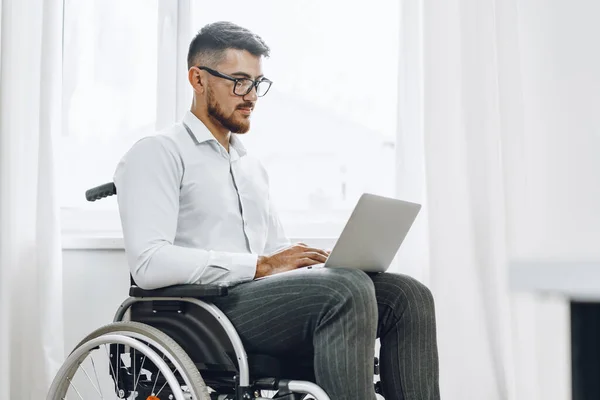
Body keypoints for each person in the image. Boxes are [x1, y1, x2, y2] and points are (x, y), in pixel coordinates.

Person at [114, 21, 440, 400]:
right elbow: (149, 264)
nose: (251, 95)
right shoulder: (158, 152)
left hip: (260, 301)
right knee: (345, 291)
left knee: (407, 295)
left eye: (257, 83)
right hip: (206, 311)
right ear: (198, 79)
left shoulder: (250, 167)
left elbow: (274, 250)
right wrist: (261, 266)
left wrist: (310, 265)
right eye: (239, 81)